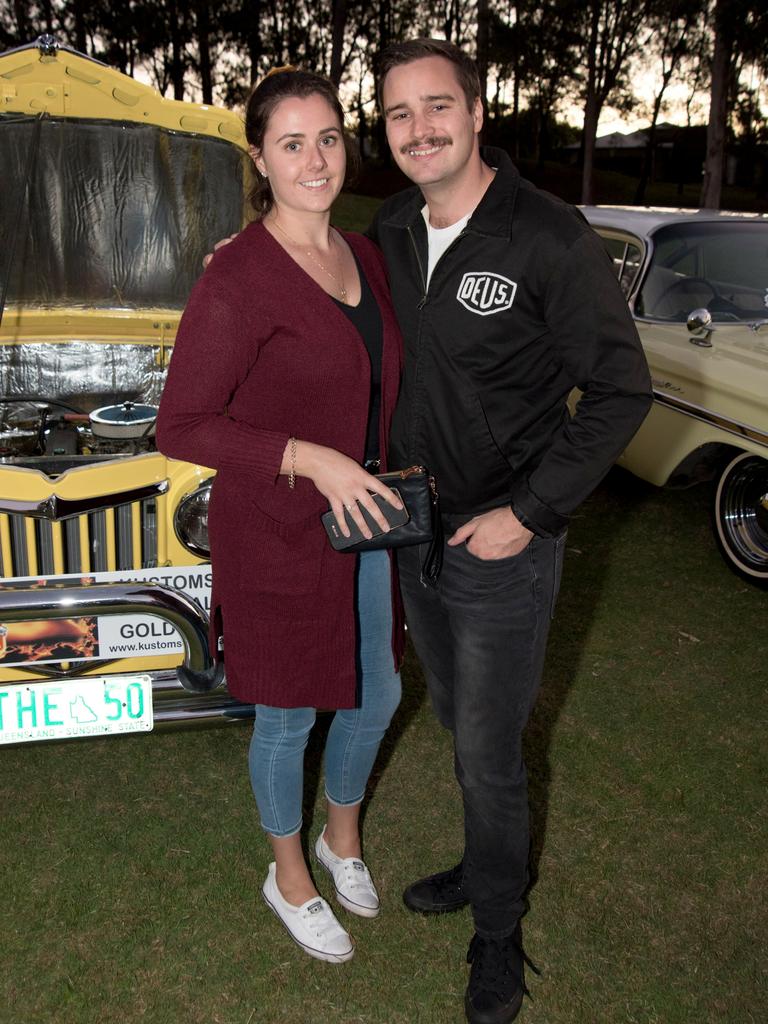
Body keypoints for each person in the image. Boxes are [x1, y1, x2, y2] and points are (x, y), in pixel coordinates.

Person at [366, 39, 653, 1024]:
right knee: (455, 714)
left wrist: (529, 516)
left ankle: (498, 928)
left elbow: (621, 390)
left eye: (437, 107)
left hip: (504, 547)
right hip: (415, 530)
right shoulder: (395, 227)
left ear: (478, 112)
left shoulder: (547, 236)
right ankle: (483, 862)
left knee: (489, 749)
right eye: (399, 113)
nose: (419, 130)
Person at [156, 67, 407, 965]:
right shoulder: (238, 277)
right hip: (278, 526)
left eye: (329, 137)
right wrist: (309, 457)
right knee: (291, 712)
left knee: (378, 692)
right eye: (292, 142)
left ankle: (343, 840)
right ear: (259, 157)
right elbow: (179, 421)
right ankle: (288, 874)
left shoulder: (364, 254)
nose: (315, 158)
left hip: (365, 519)